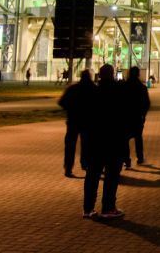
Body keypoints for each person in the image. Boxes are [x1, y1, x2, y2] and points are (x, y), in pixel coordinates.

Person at [79, 65, 124, 218]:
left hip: (94, 142)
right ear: (112, 75)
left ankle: (88, 208)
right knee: (111, 176)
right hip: (113, 141)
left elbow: (85, 120)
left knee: (92, 176)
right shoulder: (118, 93)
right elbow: (123, 118)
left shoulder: (93, 93)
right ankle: (108, 207)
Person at [58, 69, 94, 177]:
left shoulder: (73, 89)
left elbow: (62, 102)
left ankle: (68, 168)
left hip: (73, 120)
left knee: (70, 145)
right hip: (87, 122)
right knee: (87, 144)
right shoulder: (93, 89)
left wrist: (70, 109)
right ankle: (85, 164)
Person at [121, 66, 152, 168]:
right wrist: (143, 115)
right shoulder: (142, 87)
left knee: (124, 139)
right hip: (137, 117)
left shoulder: (124, 86)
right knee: (138, 138)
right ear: (138, 74)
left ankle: (127, 160)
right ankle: (140, 158)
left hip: (125, 117)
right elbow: (147, 103)